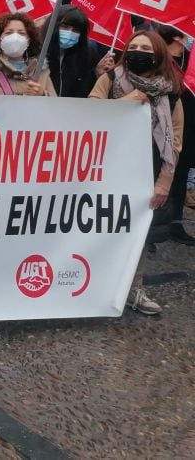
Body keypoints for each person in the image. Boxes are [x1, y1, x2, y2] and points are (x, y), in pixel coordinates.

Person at [89, 30, 183, 316]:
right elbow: (87, 114)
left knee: (137, 233)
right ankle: (91, 287)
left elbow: (174, 140)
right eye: (134, 47)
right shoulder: (110, 80)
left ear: (158, 54)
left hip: (147, 171)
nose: (139, 51)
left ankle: (133, 289)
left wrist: (164, 182)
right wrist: (124, 104)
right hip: (106, 169)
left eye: (146, 47)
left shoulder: (171, 91)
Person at [153, 26, 195, 246]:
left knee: (180, 176)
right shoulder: (159, 61)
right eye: (186, 35)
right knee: (159, 176)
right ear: (177, 37)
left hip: (187, 127)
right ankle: (152, 229)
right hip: (162, 127)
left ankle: (176, 223)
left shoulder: (189, 58)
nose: (189, 39)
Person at [0, 12, 55, 97]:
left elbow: (55, 105)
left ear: (28, 40)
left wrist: (42, 94)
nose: (15, 37)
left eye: (22, 33)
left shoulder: (41, 70)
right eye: (9, 33)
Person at [45, 6, 111, 98]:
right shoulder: (38, 52)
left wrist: (97, 74)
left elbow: (86, 91)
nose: (70, 33)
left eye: (76, 30)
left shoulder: (88, 54)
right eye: (65, 27)